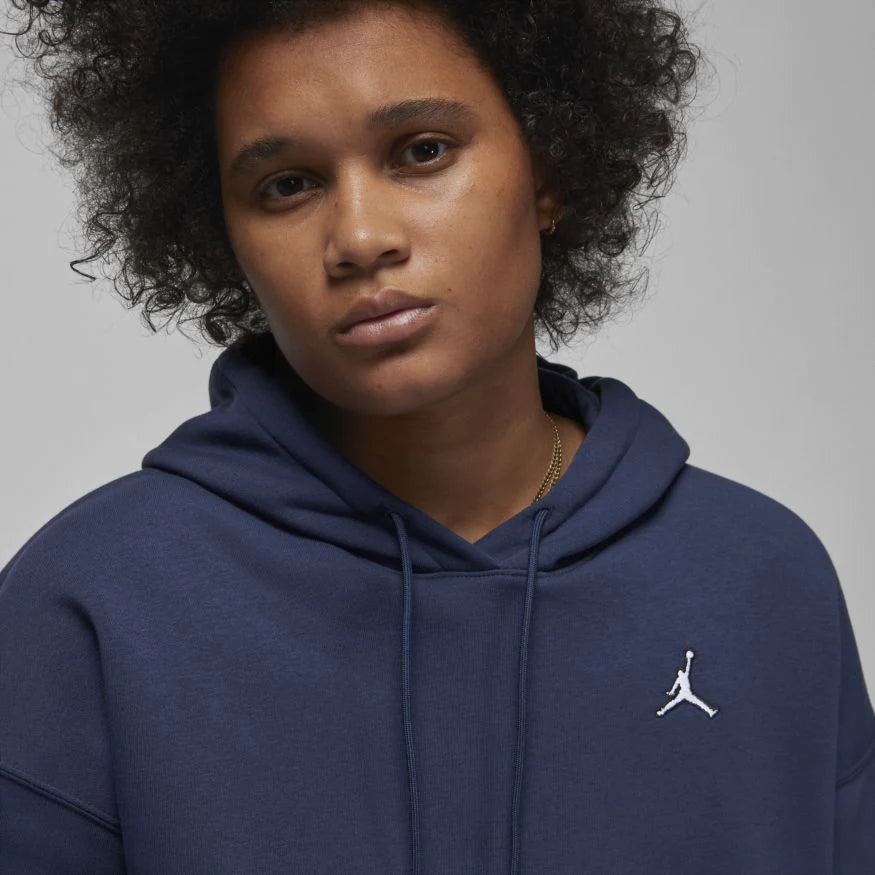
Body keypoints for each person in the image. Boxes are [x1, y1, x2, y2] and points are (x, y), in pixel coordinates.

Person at [0, 0, 872, 872]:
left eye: (422, 151)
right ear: (224, 234)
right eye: (287, 185)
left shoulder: (760, 580)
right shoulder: (91, 605)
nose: (360, 238)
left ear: (547, 171)